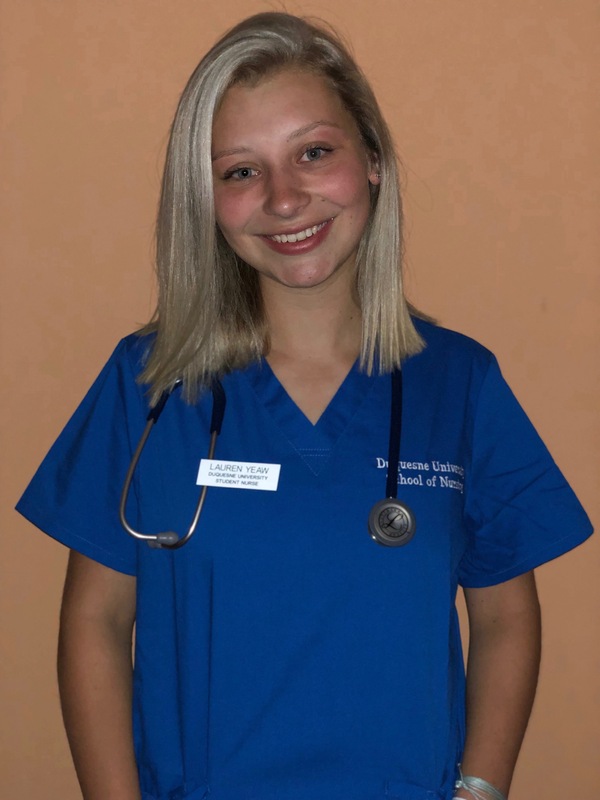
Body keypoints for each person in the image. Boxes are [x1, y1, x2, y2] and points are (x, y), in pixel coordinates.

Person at [16, 12, 592, 800]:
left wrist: (482, 789)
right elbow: (95, 625)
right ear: (205, 199)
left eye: (314, 153)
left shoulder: (458, 383)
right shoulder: (148, 385)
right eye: (240, 171)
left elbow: (504, 618)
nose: (286, 200)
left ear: (374, 162)